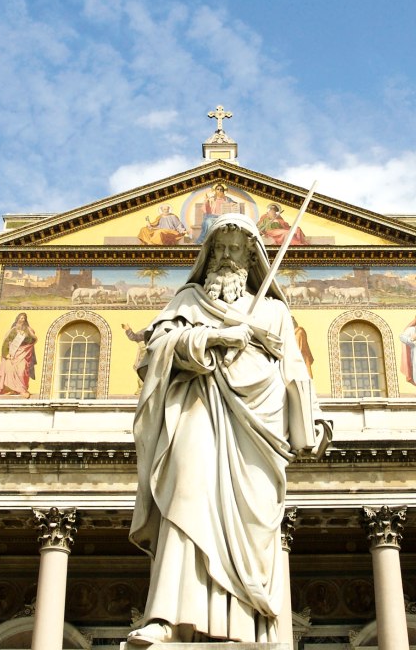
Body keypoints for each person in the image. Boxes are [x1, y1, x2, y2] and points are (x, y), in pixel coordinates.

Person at [127, 214, 318, 645]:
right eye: (221, 249)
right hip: (198, 411)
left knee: (253, 530)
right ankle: (168, 618)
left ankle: (246, 626)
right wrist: (210, 339)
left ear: (251, 259)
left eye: (236, 250)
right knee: (185, 497)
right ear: (208, 256)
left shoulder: (273, 311)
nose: (228, 258)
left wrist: (314, 421)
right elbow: (154, 350)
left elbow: (295, 373)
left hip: (257, 431)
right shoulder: (188, 302)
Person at [0, 312, 37, 398]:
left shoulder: (28, 330)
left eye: (24, 318)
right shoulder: (13, 330)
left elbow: (32, 340)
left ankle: (22, 389)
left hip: (24, 353)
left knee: (22, 370)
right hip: (12, 354)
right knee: (9, 370)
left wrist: (25, 337)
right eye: (21, 318)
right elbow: (6, 342)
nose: (22, 320)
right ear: (17, 319)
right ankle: (12, 389)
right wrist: (6, 354)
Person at [122, 323, 147, 395]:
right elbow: (134, 337)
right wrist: (128, 330)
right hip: (144, 360)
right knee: (142, 373)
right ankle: (141, 390)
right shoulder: (147, 331)